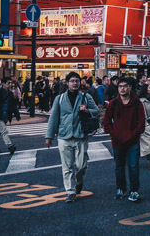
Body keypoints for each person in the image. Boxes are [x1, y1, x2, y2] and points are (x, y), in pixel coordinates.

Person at [45, 71, 100, 202]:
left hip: (80, 135)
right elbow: (53, 118)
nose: (74, 83)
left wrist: (87, 110)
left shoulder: (86, 97)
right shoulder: (60, 99)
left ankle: (79, 181)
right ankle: (70, 191)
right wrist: (49, 136)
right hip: (64, 136)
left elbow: (97, 111)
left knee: (81, 165)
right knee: (67, 166)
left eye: (77, 81)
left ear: (80, 82)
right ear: (67, 83)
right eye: (72, 81)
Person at [103, 77, 146, 202]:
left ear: (130, 88)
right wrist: (114, 133)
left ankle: (134, 190)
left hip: (133, 141)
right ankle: (120, 189)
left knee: (133, 166)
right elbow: (106, 122)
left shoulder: (137, 103)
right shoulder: (113, 103)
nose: (122, 88)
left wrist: (132, 135)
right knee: (119, 167)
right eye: (120, 86)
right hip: (117, 141)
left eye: (125, 86)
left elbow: (141, 124)